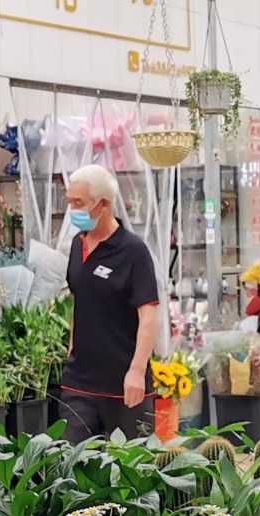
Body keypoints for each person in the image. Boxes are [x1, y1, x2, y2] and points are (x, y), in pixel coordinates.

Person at [56, 164, 160, 442]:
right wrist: (72, 348)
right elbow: (79, 299)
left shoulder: (133, 252)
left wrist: (137, 371)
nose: (72, 210)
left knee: (136, 461)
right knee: (70, 458)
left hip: (125, 384)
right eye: (69, 202)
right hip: (80, 382)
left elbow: (148, 315)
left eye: (79, 203)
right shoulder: (77, 245)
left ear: (103, 204)